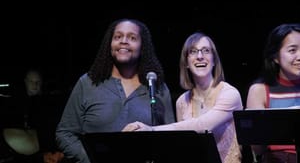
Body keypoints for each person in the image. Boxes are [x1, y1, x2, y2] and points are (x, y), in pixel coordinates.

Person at [55, 18, 175, 163]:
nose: (124, 41)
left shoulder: (156, 87)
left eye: (132, 38)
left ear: (143, 46)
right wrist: (91, 159)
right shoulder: (88, 83)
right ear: (109, 44)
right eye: (118, 36)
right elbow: (65, 133)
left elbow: (171, 138)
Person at [123, 32, 243, 163]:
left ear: (214, 60)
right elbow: (185, 143)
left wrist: (151, 130)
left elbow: (203, 125)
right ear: (186, 62)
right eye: (193, 51)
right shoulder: (182, 101)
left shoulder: (229, 93)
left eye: (206, 51)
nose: (200, 56)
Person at [246, 23, 300, 163]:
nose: (299, 56)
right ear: (276, 57)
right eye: (292, 50)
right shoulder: (260, 90)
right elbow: (257, 147)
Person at [1, 68, 64, 163]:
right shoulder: (13, 102)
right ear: (25, 81)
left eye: (38, 82)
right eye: (31, 81)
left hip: (43, 154)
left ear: (42, 82)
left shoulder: (49, 103)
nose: (35, 85)